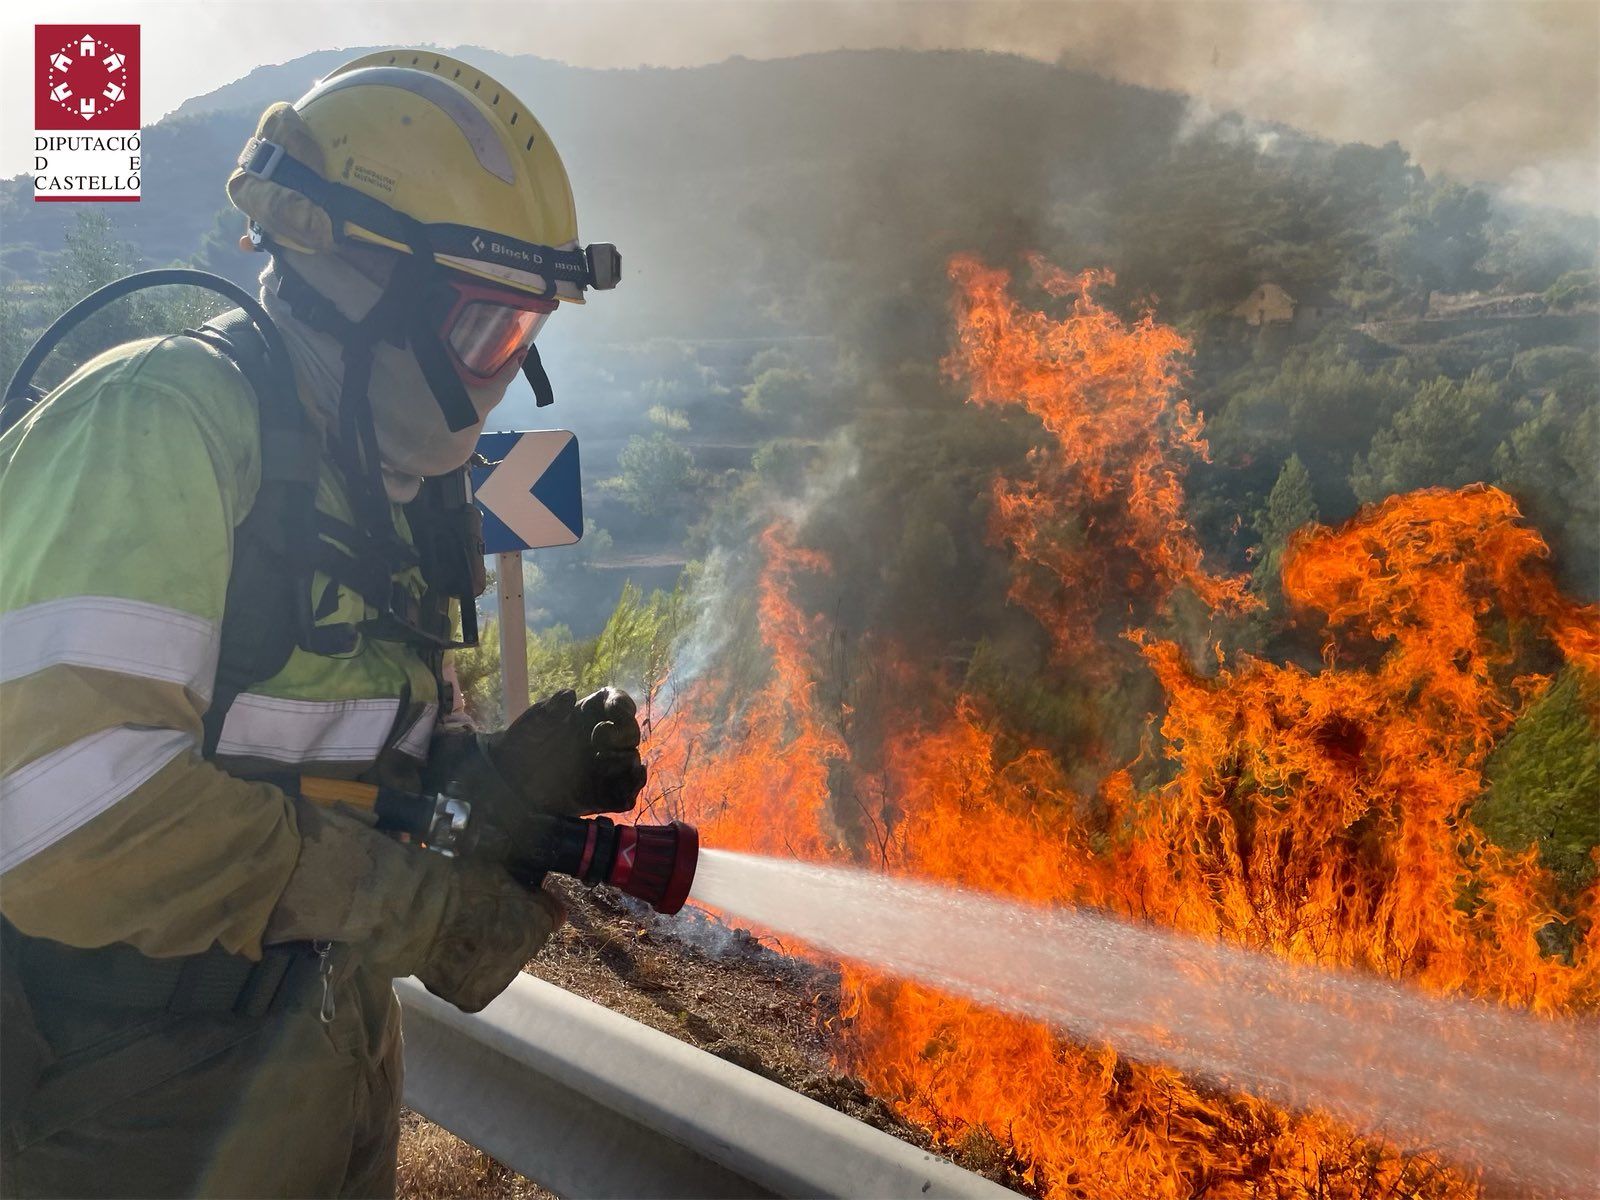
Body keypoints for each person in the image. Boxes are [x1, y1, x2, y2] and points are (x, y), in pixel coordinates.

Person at [0, 51, 642, 1197]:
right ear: (360, 286)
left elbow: (341, 758)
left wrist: (487, 780)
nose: (504, 376)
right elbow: (62, 817)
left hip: (324, 1052)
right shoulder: (157, 425)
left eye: (526, 331)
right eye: (484, 327)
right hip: (121, 1095)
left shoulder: (383, 477)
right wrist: (417, 908)